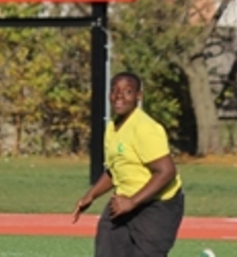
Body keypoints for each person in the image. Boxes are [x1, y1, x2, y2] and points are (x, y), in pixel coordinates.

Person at [72, 71, 184, 257]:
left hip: (157, 207)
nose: (119, 96)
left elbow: (166, 172)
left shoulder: (145, 128)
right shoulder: (112, 128)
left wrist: (132, 202)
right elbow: (115, 171)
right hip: (123, 202)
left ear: (138, 96)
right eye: (115, 91)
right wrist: (90, 196)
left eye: (127, 91)